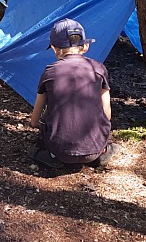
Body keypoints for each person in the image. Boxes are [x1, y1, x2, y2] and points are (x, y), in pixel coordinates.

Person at [28, 18, 117, 169]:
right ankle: (100, 153)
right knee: (104, 144)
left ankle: (53, 158)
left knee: (33, 151)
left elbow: (35, 121)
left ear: (55, 48)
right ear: (85, 46)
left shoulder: (50, 71)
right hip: (95, 148)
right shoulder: (99, 69)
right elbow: (107, 114)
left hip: (60, 150)